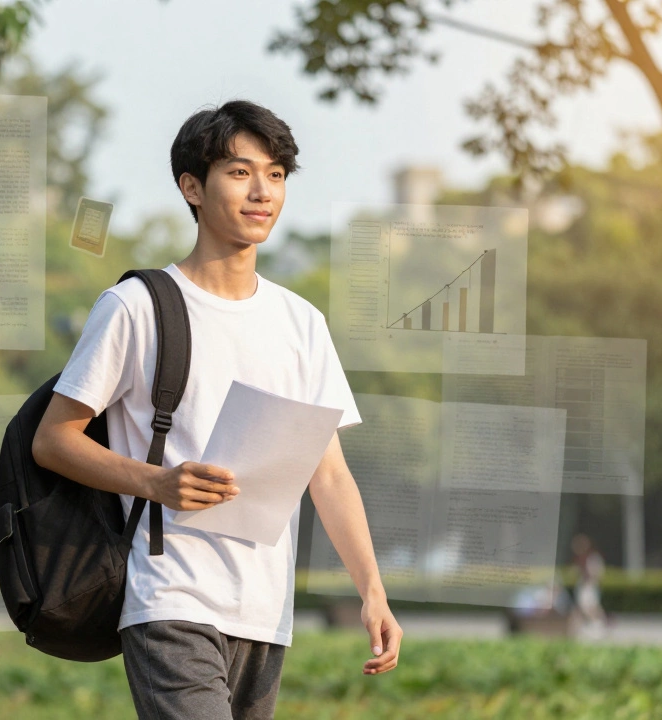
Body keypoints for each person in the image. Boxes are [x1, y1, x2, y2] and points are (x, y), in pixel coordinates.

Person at [33, 100, 402, 720]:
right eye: (240, 172)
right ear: (192, 187)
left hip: (263, 610)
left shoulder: (301, 323)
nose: (262, 191)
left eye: (277, 175)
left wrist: (373, 590)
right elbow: (54, 439)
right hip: (170, 599)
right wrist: (159, 483)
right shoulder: (135, 307)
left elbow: (329, 473)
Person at [570, 533, 606, 635]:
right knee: (582, 608)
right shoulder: (580, 559)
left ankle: (600, 627)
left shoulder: (593, 558)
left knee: (591, 608)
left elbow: (596, 574)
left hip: (590, 587)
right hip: (583, 586)